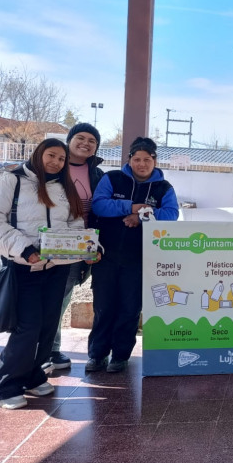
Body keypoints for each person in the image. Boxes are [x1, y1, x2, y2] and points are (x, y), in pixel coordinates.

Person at [0, 138, 85, 409]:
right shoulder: (12, 180)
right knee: (27, 327)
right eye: (51, 155)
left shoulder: (64, 187)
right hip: (23, 267)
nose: (56, 162)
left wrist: (86, 247)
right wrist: (23, 249)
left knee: (48, 326)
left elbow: (75, 223)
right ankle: (4, 386)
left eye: (61, 159)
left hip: (56, 268)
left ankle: (33, 375)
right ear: (39, 154)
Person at [87, 137, 179, 373]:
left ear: (154, 161)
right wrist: (130, 207)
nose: (141, 164)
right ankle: (97, 355)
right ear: (129, 160)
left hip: (140, 259)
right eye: (136, 159)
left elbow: (171, 215)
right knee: (103, 307)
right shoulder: (112, 179)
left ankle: (120, 355)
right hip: (106, 257)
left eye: (147, 160)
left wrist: (142, 217)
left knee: (129, 309)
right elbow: (99, 206)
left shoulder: (164, 188)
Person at [48, 123, 105, 371]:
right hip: (51, 240)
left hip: (82, 243)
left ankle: (51, 348)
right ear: (69, 140)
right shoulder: (54, 166)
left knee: (63, 296)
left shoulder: (98, 174)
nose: (86, 143)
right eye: (80, 138)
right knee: (49, 296)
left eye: (92, 140)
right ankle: (45, 349)